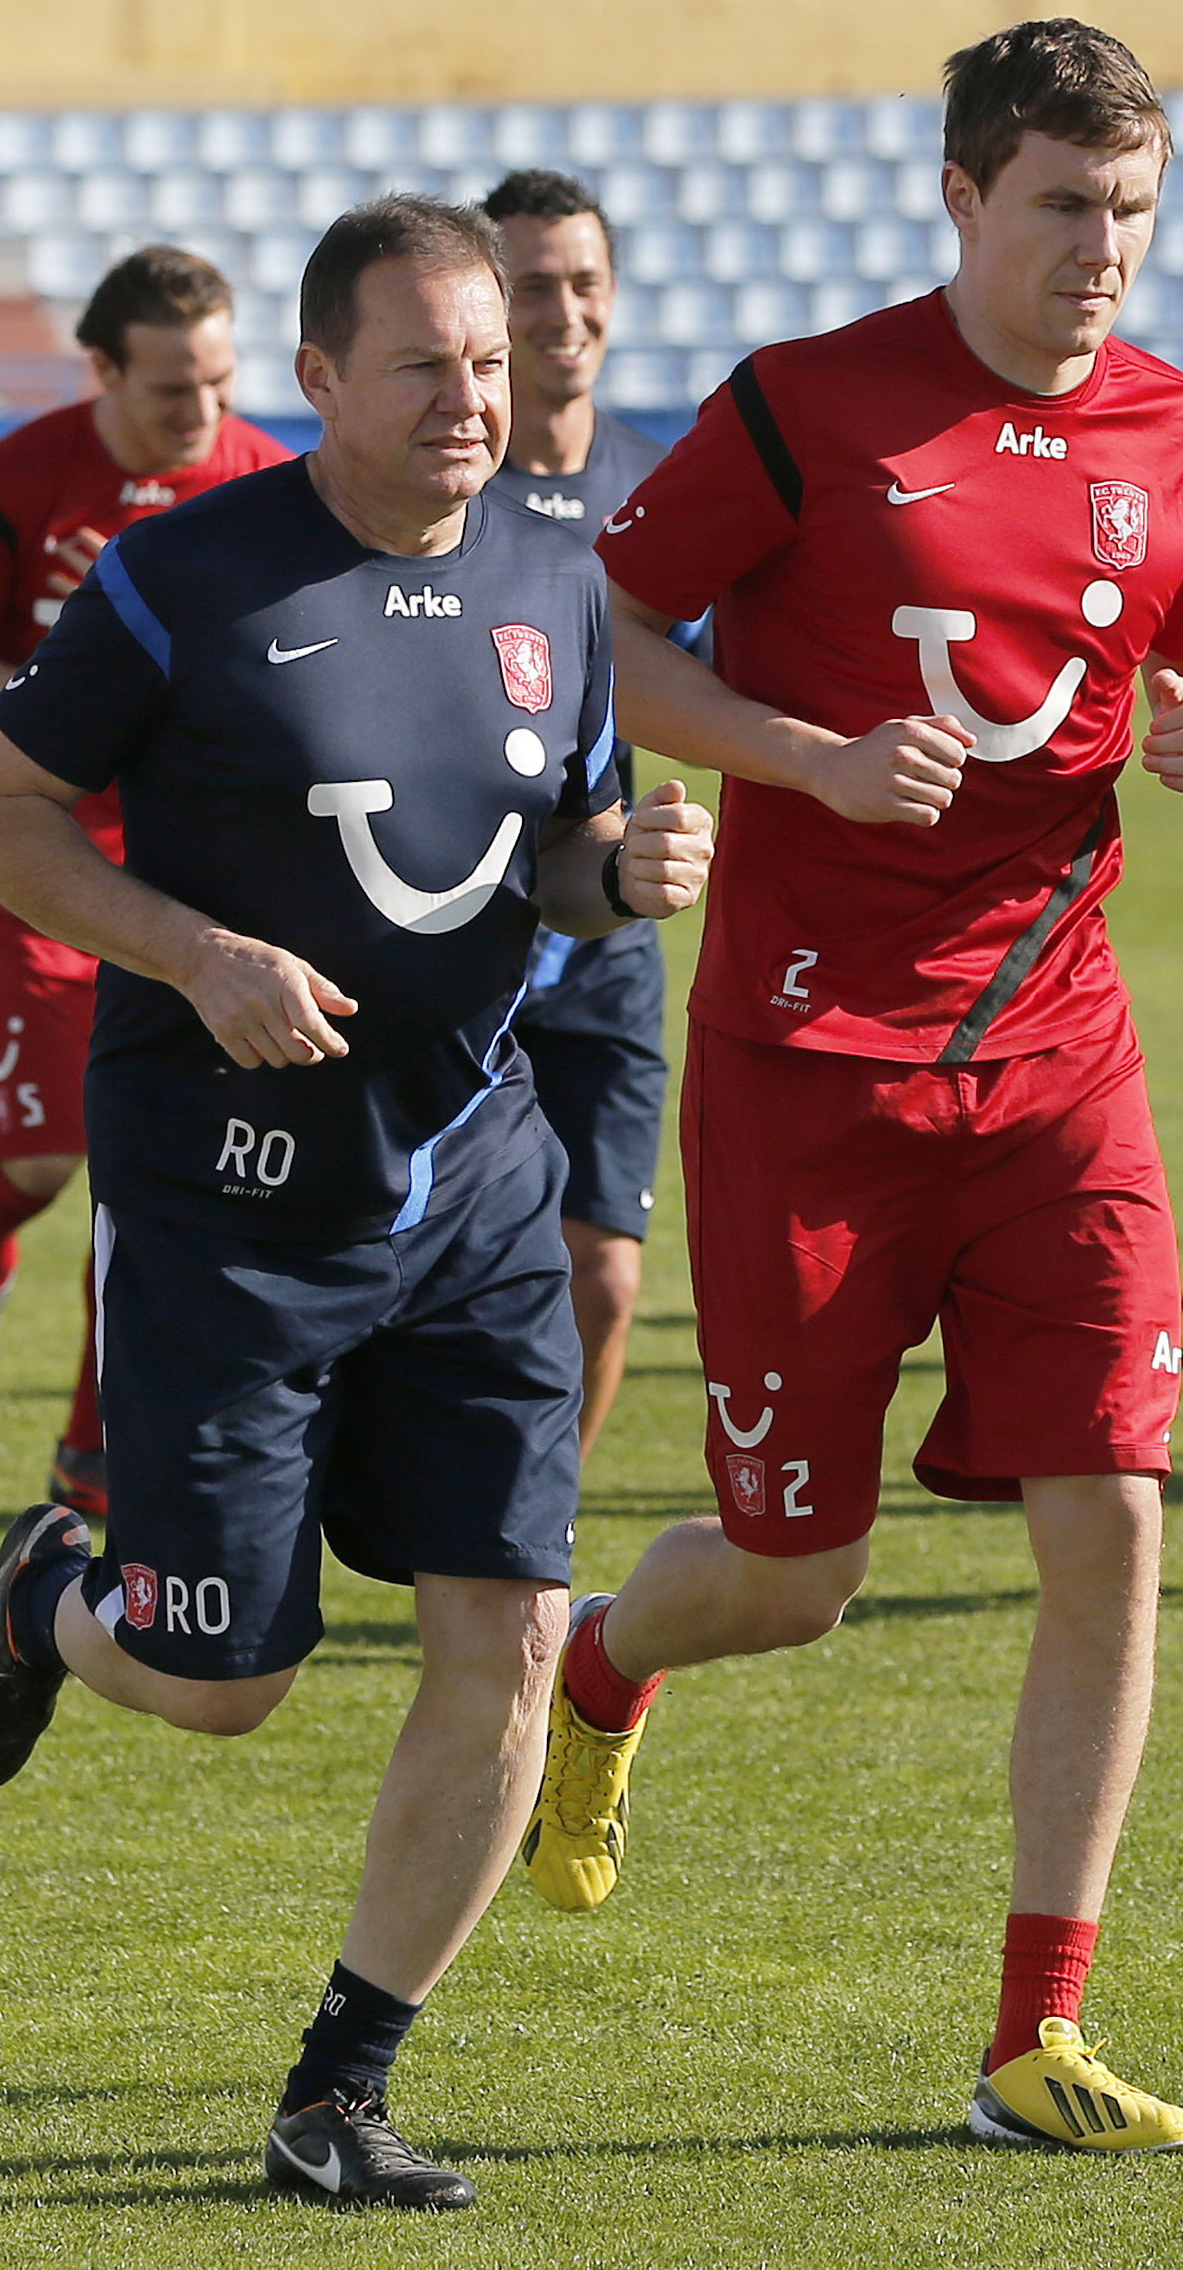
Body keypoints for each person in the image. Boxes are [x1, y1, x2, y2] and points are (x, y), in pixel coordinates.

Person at [0, 194, 716, 2212]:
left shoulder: (559, 565)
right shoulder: (187, 578)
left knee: (511, 1629)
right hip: (226, 1200)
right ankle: (45, 1592)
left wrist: (612, 873)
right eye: (422, 364)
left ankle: (340, 2088)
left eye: (489, 359)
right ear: (315, 382)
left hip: (476, 1186)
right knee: (223, 1678)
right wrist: (195, 953)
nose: (474, 395)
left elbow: (535, 854)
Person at [525, 19, 1183, 2153]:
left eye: (1130, 208)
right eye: (1060, 205)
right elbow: (616, 628)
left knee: (1114, 1517)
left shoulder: (1178, 429)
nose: (1100, 248)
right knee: (796, 1571)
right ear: (960, 199)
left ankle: (1034, 2028)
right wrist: (809, 757)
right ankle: (602, 1667)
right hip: (807, 1073)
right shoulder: (806, 403)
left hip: (1058, 1058)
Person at [0, 246, 292, 1512]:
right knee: (47, 1147)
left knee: (148, 1165)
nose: (204, 414)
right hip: (52, 860)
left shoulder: (272, 479)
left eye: (222, 382)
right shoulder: (17, 480)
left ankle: (93, 1448)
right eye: (175, 388)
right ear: (105, 369)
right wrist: (75, 704)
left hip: (215, 873)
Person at [481, 167, 675, 1447]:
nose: (565, 312)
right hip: (458, 925)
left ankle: (533, 1529)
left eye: (584, 283)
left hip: (607, 937)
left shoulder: (667, 491)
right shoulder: (438, 487)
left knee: (605, 1277)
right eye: (533, 286)